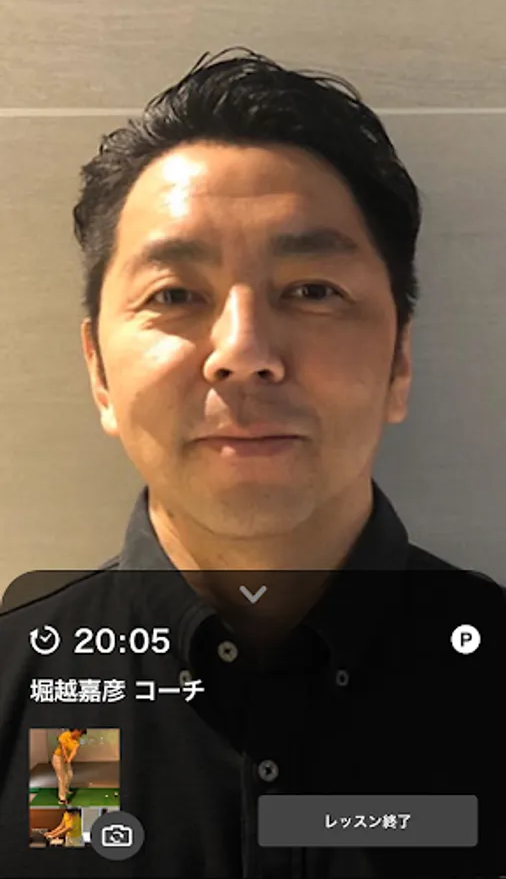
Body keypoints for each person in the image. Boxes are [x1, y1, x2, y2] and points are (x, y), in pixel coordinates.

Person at [0, 47, 505, 879]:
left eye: (313, 290)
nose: (243, 352)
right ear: (99, 372)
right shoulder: (25, 692)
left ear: (399, 362)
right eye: (174, 295)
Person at [51, 730, 87, 805]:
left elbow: (74, 751)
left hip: (66, 759)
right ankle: (62, 799)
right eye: (81, 733)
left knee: (70, 774)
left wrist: (69, 759)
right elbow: (63, 747)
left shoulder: (76, 741)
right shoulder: (65, 735)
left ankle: (65, 789)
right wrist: (65, 757)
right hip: (58, 758)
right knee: (62, 777)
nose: (81, 736)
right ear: (77, 730)